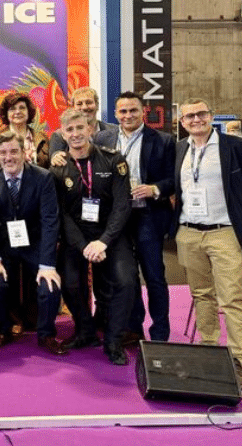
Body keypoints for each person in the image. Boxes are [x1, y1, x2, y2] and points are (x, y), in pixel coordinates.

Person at [174, 97, 242, 389]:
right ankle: (209, 350)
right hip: (189, 232)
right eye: (189, 116)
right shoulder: (180, 149)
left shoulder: (237, 148)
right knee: (202, 295)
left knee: (232, 300)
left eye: (201, 114)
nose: (196, 120)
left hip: (225, 233)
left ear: (211, 116)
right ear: (182, 122)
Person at [50, 109, 135, 366]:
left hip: (111, 233)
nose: (76, 134)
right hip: (76, 236)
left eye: (80, 128)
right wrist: (83, 245)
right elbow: (61, 213)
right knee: (70, 283)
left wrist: (104, 241)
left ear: (90, 129)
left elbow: (122, 204)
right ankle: (85, 331)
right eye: (70, 130)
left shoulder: (113, 160)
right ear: (63, 134)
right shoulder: (58, 168)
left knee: (126, 281)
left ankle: (113, 340)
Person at [93, 91, 175, 343]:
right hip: (116, 219)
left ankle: (159, 334)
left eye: (133, 110)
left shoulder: (163, 141)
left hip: (147, 216)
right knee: (126, 277)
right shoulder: (102, 138)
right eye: (123, 111)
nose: (128, 115)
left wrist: (155, 189)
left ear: (143, 112)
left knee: (154, 276)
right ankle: (133, 328)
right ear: (115, 113)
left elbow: (174, 179)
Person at [0, 132, 65, 355]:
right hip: (6, 243)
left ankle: (46, 335)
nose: (8, 157)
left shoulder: (43, 177)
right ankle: (4, 330)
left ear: (24, 152)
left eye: (13, 151)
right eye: (3, 153)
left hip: (35, 242)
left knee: (49, 284)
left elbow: (50, 220)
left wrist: (47, 264)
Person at [0, 92, 50, 169]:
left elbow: (48, 167)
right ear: (6, 113)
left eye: (22, 108)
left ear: (28, 111)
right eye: (12, 109)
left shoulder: (42, 137)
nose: (17, 112)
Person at [49, 87, 117, 155]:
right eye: (79, 104)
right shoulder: (59, 136)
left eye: (89, 102)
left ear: (97, 105)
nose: (84, 107)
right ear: (73, 108)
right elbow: (55, 159)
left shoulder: (115, 131)